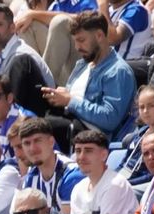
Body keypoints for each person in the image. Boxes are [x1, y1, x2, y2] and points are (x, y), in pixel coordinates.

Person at [39, 11, 135, 139]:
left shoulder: (118, 71)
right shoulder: (83, 64)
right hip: (70, 119)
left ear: (100, 35)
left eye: (81, 40)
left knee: (42, 129)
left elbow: (109, 119)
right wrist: (63, 94)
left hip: (93, 136)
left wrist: (70, 100)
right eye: (75, 41)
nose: (77, 47)